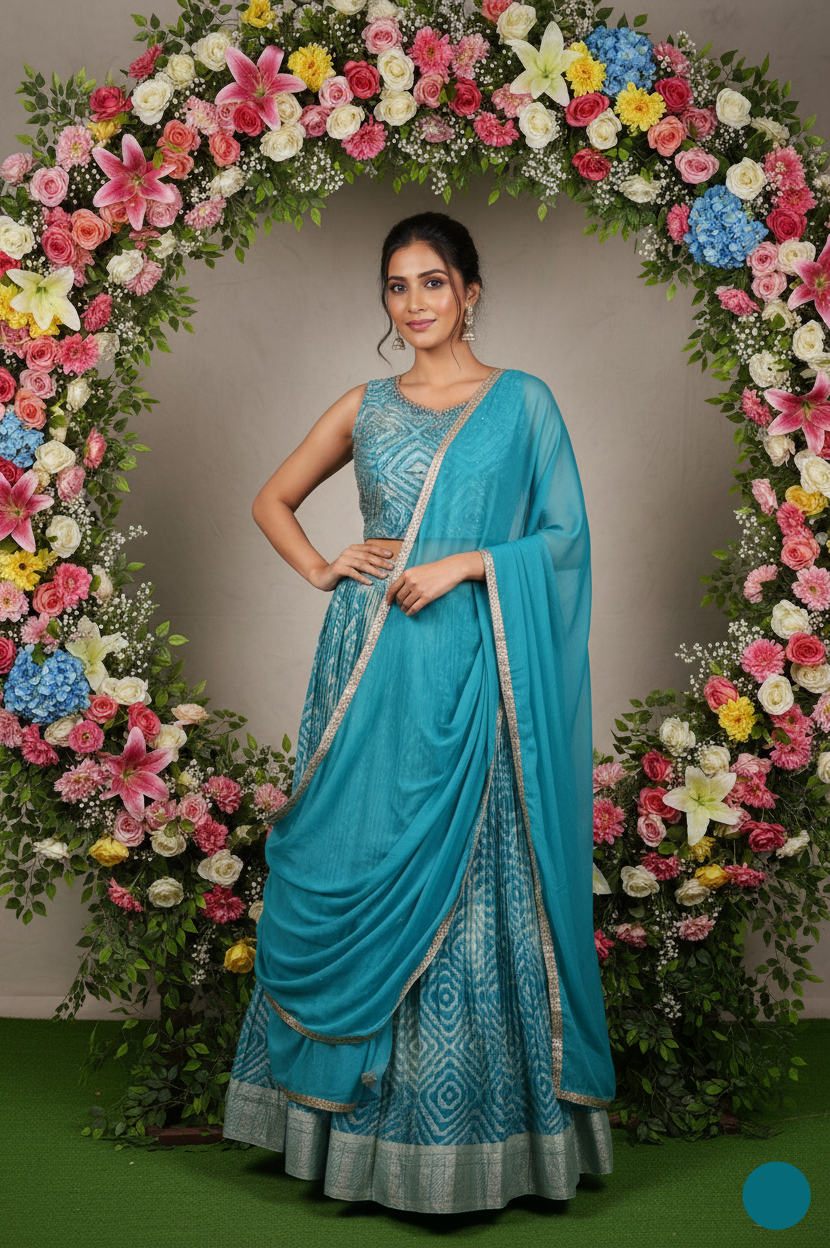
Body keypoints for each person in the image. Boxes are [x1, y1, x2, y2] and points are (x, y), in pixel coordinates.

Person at [221, 211, 616, 1213]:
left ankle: (473, 1135)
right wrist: (323, 565)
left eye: (433, 281)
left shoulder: (521, 403)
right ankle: (337, 1139)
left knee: (471, 879)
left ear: (470, 290)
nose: (415, 302)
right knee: (351, 853)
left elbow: (563, 541)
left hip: (474, 664)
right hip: (368, 666)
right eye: (397, 286)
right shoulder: (365, 403)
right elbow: (273, 498)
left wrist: (472, 562)